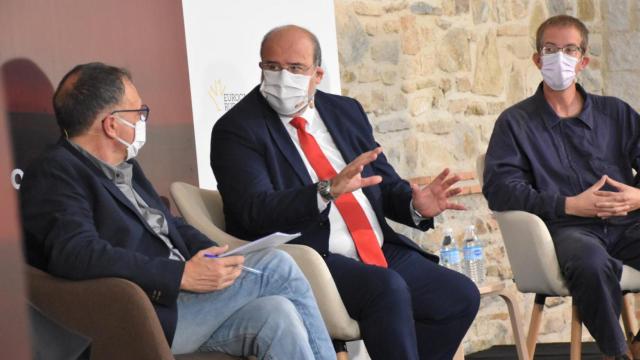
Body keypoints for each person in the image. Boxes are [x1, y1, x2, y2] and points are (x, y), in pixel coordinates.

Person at [19, 62, 336, 360]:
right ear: (112, 124)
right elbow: (76, 253)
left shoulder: (126, 166)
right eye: (139, 111)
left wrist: (211, 255)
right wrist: (179, 276)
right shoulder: (55, 172)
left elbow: (168, 224)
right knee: (277, 264)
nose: (144, 119)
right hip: (145, 311)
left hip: (183, 303)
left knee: (277, 315)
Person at [211, 25, 480, 360]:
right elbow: (254, 211)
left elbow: (382, 181)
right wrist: (325, 191)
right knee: (388, 288)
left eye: (295, 68)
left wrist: (415, 204)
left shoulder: (344, 111)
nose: (282, 77)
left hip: (374, 246)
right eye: (272, 67)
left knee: (459, 295)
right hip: (309, 258)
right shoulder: (236, 129)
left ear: (317, 74)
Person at [483, 15, 640, 360]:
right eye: (550, 50)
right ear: (538, 60)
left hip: (627, 224)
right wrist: (569, 205)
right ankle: (616, 354)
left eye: (569, 50)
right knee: (591, 262)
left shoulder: (617, 113)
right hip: (568, 230)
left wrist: (637, 196)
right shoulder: (515, 122)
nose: (559, 58)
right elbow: (500, 189)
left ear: (583, 61)